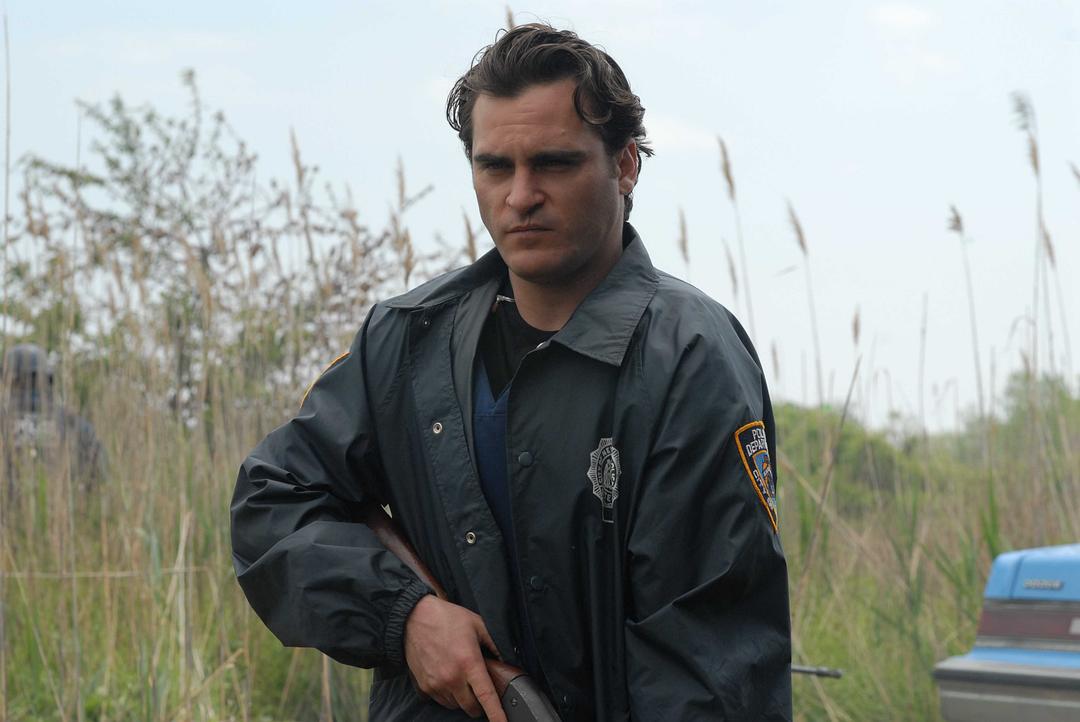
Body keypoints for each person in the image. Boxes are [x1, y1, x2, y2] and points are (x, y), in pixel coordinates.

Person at [231, 23, 791, 721]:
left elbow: (709, 671)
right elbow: (274, 502)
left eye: (553, 163)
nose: (520, 196)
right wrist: (406, 617)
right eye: (495, 166)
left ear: (625, 166)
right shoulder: (404, 340)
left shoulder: (690, 359)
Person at [1, 343, 105, 498]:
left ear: (8, 379)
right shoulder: (75, 425)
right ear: (49, 379)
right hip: (68, 510)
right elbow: (101, 482)